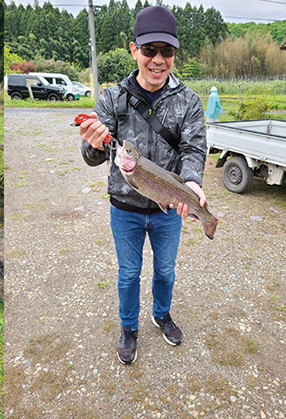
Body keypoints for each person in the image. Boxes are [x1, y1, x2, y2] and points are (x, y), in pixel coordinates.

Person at [78, 6, 207, 365]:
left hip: (170, 207)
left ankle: (161, 314)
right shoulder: (112, 99)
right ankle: (128, 327)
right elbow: (91, 156)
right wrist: (91, 142)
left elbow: (194, 148)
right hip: (125, 209)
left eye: (166, 51)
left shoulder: (189, 101)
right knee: (129, 273)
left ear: (174, 54)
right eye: (150, 50)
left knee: (166, 270)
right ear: (134, 49)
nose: (158, 60)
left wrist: (192, 182)